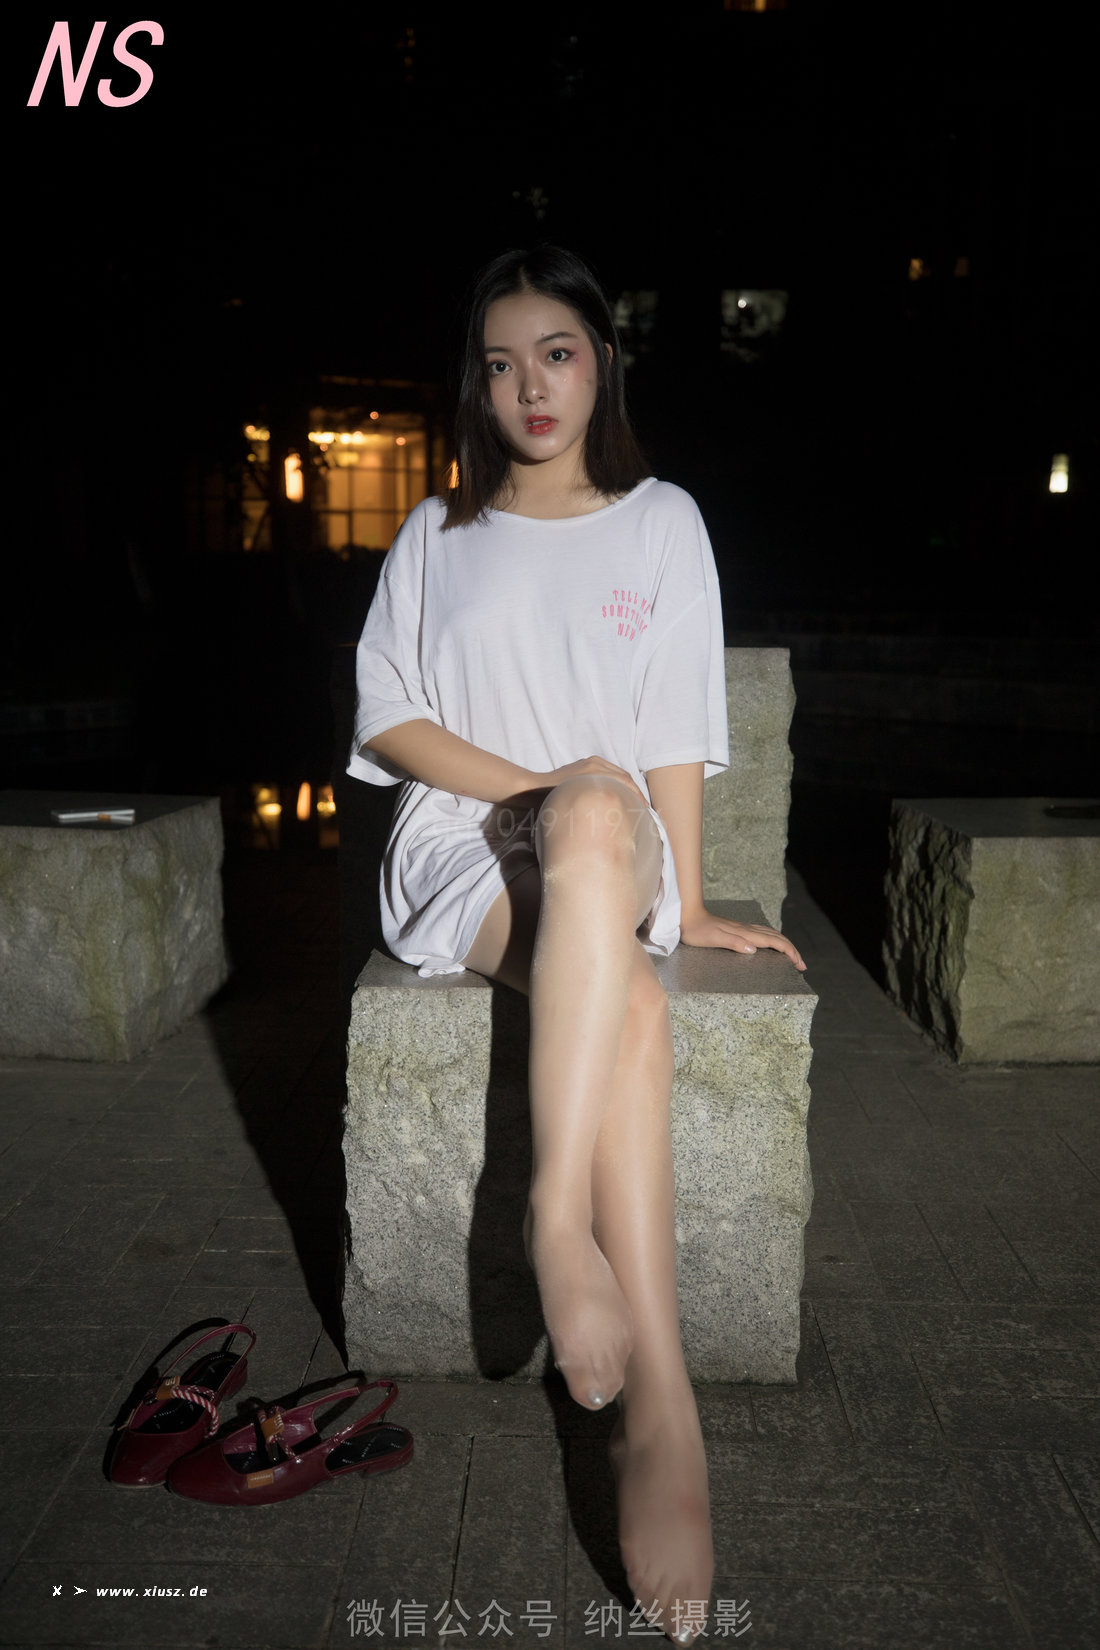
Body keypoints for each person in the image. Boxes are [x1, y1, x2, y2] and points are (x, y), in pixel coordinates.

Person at [348, 245, 806, 1645]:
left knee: (605, 819)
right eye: (500, 364)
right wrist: (543, 794)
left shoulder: (663, 522)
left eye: (555, 353)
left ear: (602, 359)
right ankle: (657, 1390)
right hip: (465, 842)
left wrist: (694, 900)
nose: (529, 388)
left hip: (606, 842)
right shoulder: (439, 529)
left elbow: (672, 726)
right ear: (476, 386)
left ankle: (574, 1250)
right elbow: (388, 719)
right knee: (634, 1001)